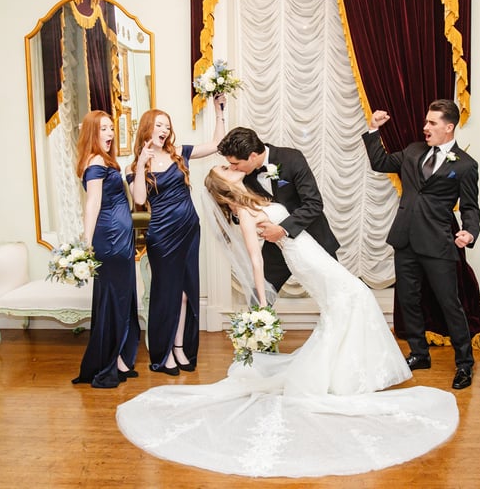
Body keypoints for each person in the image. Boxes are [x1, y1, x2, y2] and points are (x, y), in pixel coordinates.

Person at [114, 165, 459, 477]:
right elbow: (255, 259)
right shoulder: (244, 213)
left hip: (312, 251)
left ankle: (350, 373)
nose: (231, 167)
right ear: (223, 183)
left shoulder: (256, 194)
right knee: (354, 298)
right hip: (304, 260)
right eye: (225, 168)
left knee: (351, 302)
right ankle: (348, 376)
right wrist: (263, 304)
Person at [362, 99, 480, 390]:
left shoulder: (465, 165)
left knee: (450, 304)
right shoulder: (413, 151)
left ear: (449, 127)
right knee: (408, 299)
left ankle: (464, 363)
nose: (425, 127)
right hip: (405, 239)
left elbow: (471, 206)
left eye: (432, 123)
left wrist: (470, 231)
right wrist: (372, 129)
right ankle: (419, 353)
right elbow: (380, 163)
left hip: (438, 242)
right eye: (426, 122)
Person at [126, 95, 226, 376]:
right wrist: (142, 165)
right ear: (147, 128)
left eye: (167, 126)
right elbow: (140, 201)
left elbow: (217, 146)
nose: (164, 130)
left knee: (184, 294)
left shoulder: (179, 152)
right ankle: (164, 350)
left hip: (188, 229)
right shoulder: (134, 166)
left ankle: (180, 347)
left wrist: (219, 112)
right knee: (165, 294)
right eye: (159, 125)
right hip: (161, 235)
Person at [216, 127, 340, 292]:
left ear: (252, 156)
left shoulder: (292, 158)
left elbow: (314, 203)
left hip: (313, 236)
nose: (232, 168)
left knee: (336, 291)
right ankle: (256, 319)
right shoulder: (242, 175)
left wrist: (282, 229)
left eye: (235, 163)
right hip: (276, 247)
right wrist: (235, 211)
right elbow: (245, 211)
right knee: (261, 295)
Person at [72, 110, 141, 388]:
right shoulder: (96, 161)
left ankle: (121, 358)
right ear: (92, 133)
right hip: (110, 240)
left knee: (122, 299)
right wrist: (87, 243)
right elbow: (93, 203)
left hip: (120, 239)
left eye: (111, 128)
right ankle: (109, 363)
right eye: (103, 129)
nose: (110, 133)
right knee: (115, 301)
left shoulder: (104, 160)